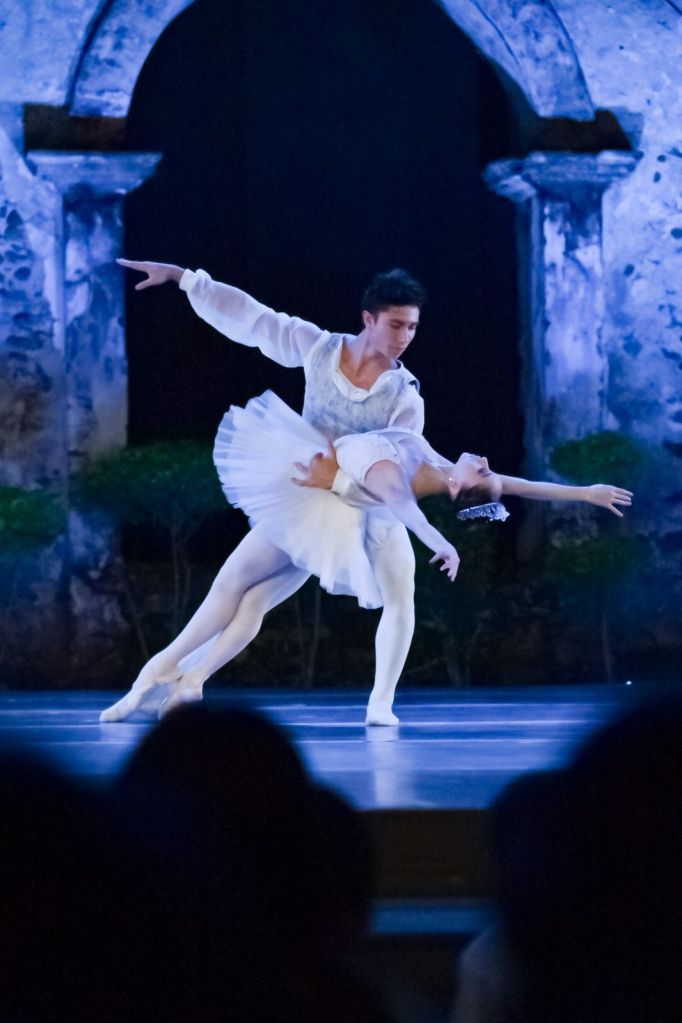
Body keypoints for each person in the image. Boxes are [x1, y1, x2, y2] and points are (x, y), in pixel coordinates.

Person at [100, 261, 632, 725]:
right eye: (397, 324)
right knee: (249, 595)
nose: (405, 336)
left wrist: (368, 499)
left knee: (391, 596)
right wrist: (185, 279)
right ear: (369, 318)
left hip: (364, 504)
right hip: (308, 496)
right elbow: (255, 320)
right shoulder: (321, 348)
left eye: (413, 327)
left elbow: (395, 487)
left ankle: (375, 701)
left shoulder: (405, 399)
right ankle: (187, 679)